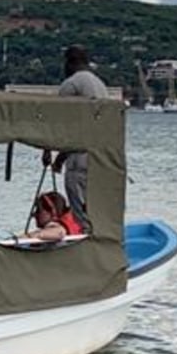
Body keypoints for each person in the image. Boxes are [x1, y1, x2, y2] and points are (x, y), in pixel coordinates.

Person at [45, 44, 112, 227]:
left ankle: (84, 245)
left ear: (70, 62)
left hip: (79, 156)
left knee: (79, 208)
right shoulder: (99, 84)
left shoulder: (72, 83)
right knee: (94, 206)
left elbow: (65, 125)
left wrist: (55, 156)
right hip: (99, 156)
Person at [20, 190, 86, 244]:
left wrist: (31, 236)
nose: (34, 214)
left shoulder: (63, 226)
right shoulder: (77, 220)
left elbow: (60, 232)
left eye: (39, 210)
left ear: (52, 212)